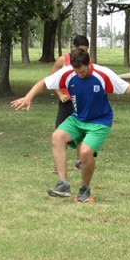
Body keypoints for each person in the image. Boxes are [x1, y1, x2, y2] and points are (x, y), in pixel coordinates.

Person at [10, 48, 130, 202]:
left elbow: (127, 89)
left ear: (88, 63)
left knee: (84, 153)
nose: (79, 75)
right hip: (77, 119)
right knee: (57, 137)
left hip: (99, 121)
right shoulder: (69, 72)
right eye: (77, 72)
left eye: (82, 72)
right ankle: (62, 184)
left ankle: (85, 189)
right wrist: (28, 97)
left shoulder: (102, 74)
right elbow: (44, 82)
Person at [47, 35, 91, 170]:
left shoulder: (88, 60)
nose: (82, 53)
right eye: (80, 49)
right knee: (60, 132)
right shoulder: (63, 60)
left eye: (85, 50)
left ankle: (80, 162)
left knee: (82, 133)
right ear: (73, 47)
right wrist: (60, 93)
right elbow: (51, 78)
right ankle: (58, 165)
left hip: (81, 102)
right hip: (66, 102)